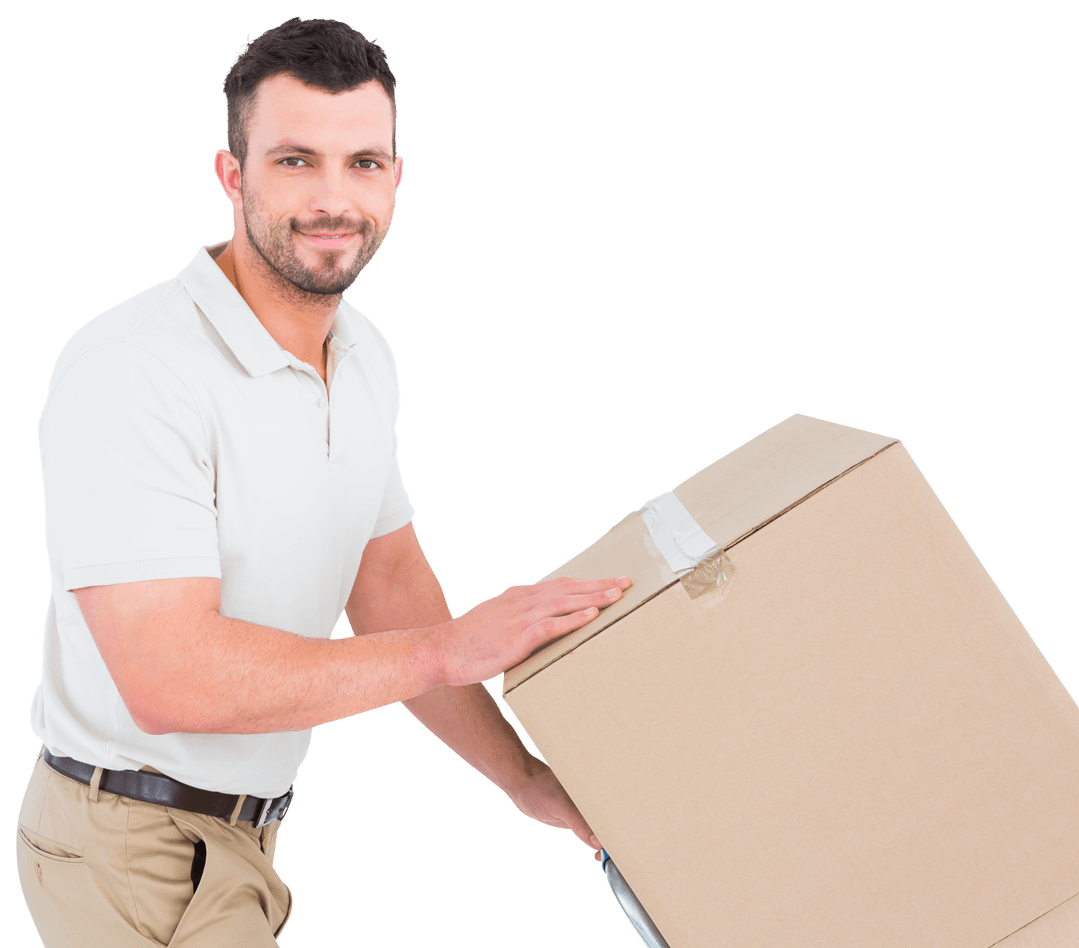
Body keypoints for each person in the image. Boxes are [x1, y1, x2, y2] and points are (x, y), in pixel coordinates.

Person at [15, 17, 630, 947]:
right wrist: (449, 651)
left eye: (364, 163)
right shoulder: (131, 366)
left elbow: (384, 583)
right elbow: (166, 678)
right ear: (233, 175)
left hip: (242, 838)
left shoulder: (365, 355)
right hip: (128, 846)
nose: (333, 200)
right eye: (296, 161)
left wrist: (524, 779)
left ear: (396, 177)